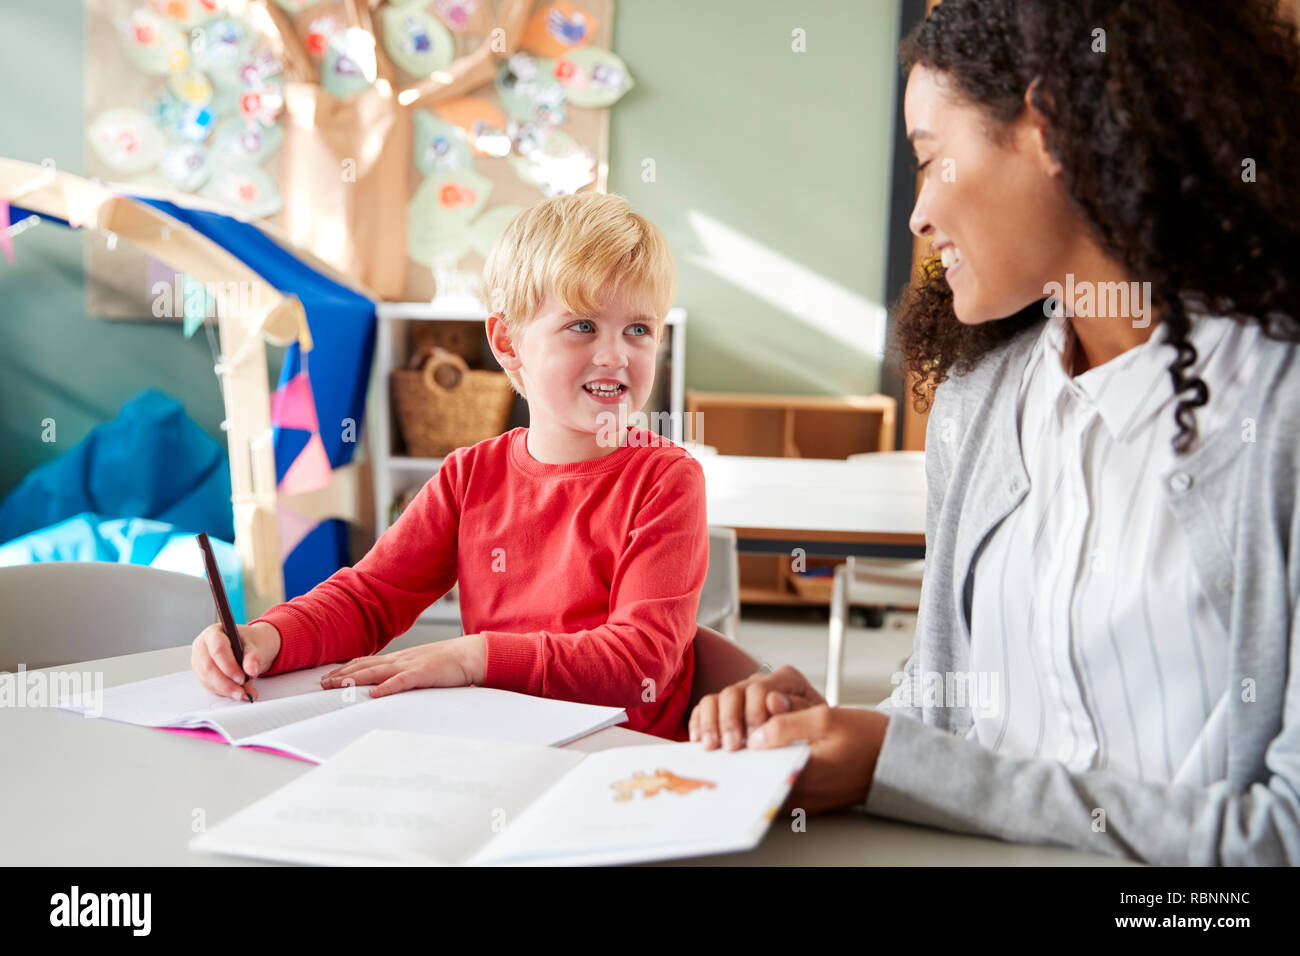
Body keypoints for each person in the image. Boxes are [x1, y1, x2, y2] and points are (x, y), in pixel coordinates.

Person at [691, 0, 1300, 864]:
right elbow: (945, 722)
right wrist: (844, 731)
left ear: (1051, 128)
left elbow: (1283, 834)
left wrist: (895, 763)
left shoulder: (1277, 409)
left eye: (932, 161)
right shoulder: (979, 402)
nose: (918, 215)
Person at [190, 192, 709, 741]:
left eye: (639, 329)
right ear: (508, 342)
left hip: (618, 757)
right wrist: (268, 638)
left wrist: (473, 658)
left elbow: (639, 663)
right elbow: (370, 598)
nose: (615, 355)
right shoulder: (469, 477)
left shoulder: (666, 479)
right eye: (583, 326)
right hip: (497, 738)